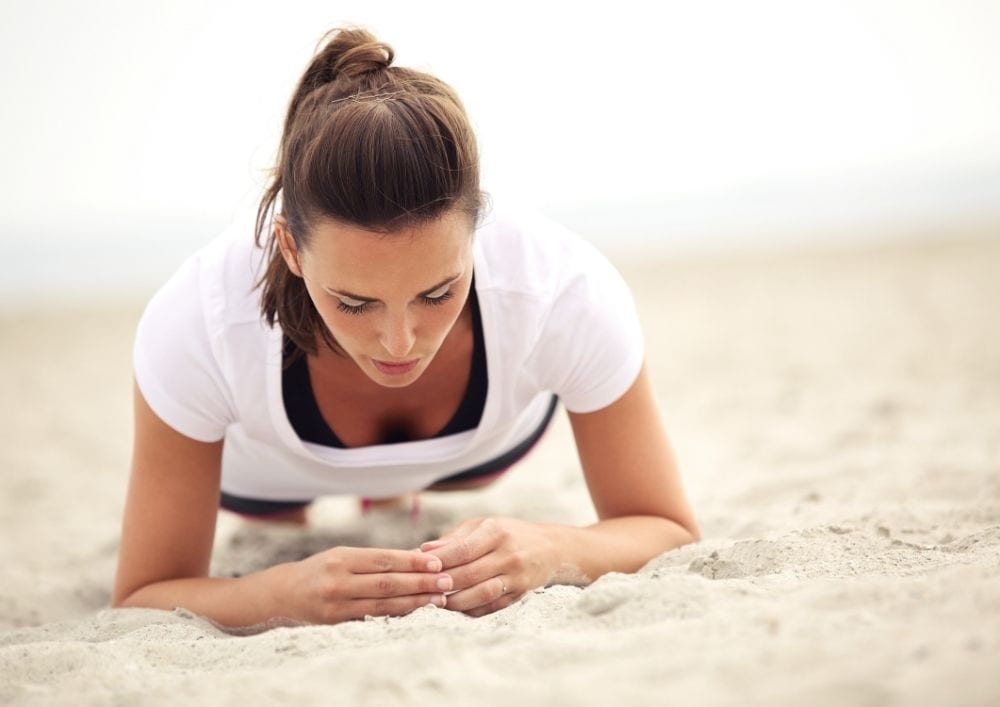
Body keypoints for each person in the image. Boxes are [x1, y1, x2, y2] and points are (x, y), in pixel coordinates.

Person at [111, 26, 700, 628]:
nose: (401, 344)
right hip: (268, 468)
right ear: (289, 248)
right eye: (354, 303)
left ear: (476, 231)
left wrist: (551, 549)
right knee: (275, 510)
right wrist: (285, 592)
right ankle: (340, 494)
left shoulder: (561, 288)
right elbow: (142, 592)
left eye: (438, 292)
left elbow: (670, 529)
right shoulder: (201, 321)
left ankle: (391, 485)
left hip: (479, 452)